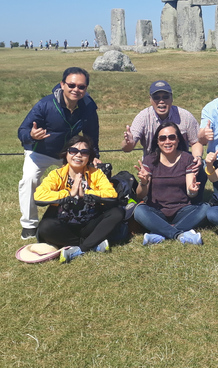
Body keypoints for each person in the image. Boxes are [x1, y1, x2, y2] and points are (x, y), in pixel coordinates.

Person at [17, 67, 100, 240]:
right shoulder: (45, 104)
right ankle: (29, 225)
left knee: (83, 181)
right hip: (41, 151)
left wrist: (94, 155)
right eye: (71, 85)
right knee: (29, 179)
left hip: (71, 154)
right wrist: (31, 136)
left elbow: (92, 133)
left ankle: (76, 219)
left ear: (86, 89)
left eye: (81, 87)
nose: (76, 90)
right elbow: (22, 130)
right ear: (62, 85)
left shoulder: (88, 106)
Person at [34, 135, 121, 263]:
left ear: (89, 157)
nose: (78, 155)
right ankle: (92, 244)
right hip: (65, 226)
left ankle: (80, 249)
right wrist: (69, 194)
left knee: (117, 213)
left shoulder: (96, 173)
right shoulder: (56, 175)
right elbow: (39, 196)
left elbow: (111, 194)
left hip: (90, 224)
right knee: (45, 226)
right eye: (73, 151)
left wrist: (85, 194)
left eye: (84, 152)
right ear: (66, 154)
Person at [133, 122, 208, 246]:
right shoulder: (150, 160)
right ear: (157, 141)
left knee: (206, 208)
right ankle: (179, 235)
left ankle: (159, 232)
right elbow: (140, 195)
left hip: (182, 211)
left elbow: (191, 194)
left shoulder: (187, 159)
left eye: (172, 137)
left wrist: (193, 190)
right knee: (139, 211)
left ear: (178, 139)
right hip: (157, 211)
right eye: (162, 138)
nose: (167, 141)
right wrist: (144, 182)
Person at [122, 80, 203, 160]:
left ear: (172, 98)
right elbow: (127, 148)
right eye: (156, 97)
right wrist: (128, 143)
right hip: (152, 166)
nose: (161, 101)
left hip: (181, 165)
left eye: (165, 97)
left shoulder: (185, 116)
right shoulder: (142, 117)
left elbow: (196, 142)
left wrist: (197, 157)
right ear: (150, 99)